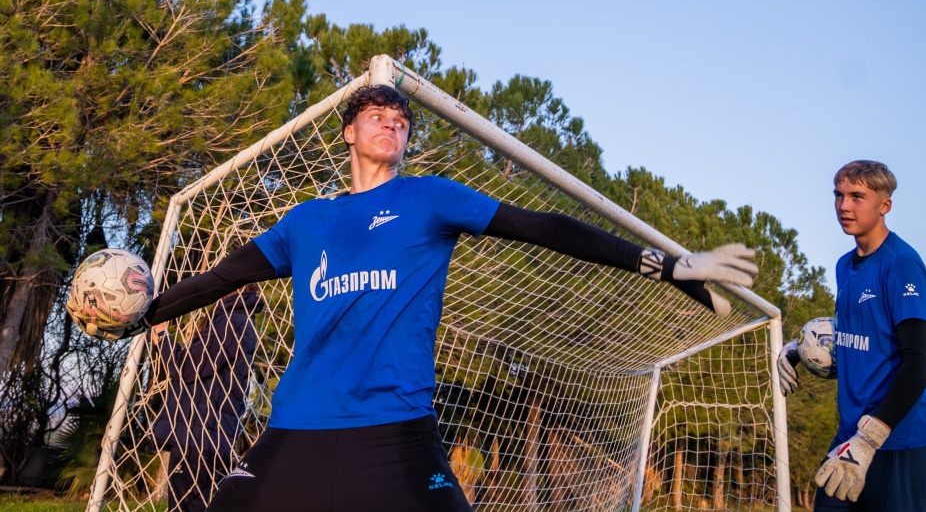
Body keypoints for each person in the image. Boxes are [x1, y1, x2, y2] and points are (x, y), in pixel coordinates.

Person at [125, 84, 759, 511]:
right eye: (379, 117)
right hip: (298, 425)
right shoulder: (305, 222)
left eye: (402, 123)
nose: (393, 127)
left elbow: (543, 227)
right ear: (348, 132)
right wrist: (145, 314)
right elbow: (218, 280)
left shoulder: (429, 199)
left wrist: (665, 263)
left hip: (396, 433)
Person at [777, 160, 926, 511]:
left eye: (857, 196)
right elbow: (853, 340)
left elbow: (917, 364)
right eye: (838, 195)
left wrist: (868, 441)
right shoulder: (843, 265)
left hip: (899, 442)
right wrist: (797, 348)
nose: (843, 206)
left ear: (885, 205)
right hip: (849, 437)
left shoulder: (901, 265)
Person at [150, 285, 263, 512]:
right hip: (204, 434)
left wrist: (162, 338)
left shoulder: (232, 322)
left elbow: (188, 367)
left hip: (199, 435)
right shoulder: (233, 321)